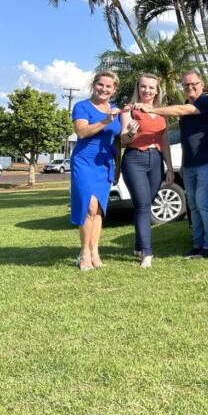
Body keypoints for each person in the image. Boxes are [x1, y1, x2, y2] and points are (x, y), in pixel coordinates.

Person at [134, 70, 208, 258]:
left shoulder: (205, 102)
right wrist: (180, 166)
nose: (190, 87)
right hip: (189, 165)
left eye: (193, 84)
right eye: (186, 85)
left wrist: (151, 109)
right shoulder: (186, 109)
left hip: (207, 163)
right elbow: (185, 140)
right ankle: (198, 245)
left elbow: (183, 110)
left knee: (204, 204)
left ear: (202, 85)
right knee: (193, 206)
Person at [120, 73, 174, 269]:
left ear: (157, 90)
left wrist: (168, 166)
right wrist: (131, 132)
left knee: (146, 203)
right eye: (143, 87)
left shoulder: (161, 112)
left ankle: (138, 246)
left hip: (156, 161)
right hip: (135, 159)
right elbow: (123, 139)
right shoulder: (129, 110)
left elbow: (165, 142)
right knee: (143, 206)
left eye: (151, 87)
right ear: (138, 88)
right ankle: (147, 253)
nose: (147, 91)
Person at [70, 71, 123, 271]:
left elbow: (118, 140)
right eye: (101, 84)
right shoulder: (82, 106)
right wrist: (105, 121)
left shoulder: (115, 109)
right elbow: (81, 131)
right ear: (94, 85)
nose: (104, 89)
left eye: (109, 86)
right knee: (89, 207)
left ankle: (95, 252)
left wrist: (117, 166)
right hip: (84, 162)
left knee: (99, 209)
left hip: (105, 163)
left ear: (114, 90)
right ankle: (84, 254)